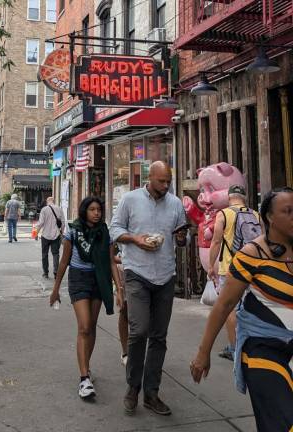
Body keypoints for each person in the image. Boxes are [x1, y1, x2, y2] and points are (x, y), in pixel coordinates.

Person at [190, 187, 293, 432]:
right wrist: (203, 353)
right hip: (262, 348)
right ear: (268, 217)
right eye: (288, 211)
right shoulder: (251, 254)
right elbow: (224, 305)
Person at [110, 161, 188, 416]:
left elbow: (182, 236)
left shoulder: (175, 203)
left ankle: (151, 393)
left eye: (168, 181)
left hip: (165, 275)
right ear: (149, 177)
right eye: (161, 181)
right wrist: (135, 239)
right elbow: (115, 229)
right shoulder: (130, 200)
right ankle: (133, 386)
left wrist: (181, 238)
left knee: (159, 336)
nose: (165, 186)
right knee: (139, 330)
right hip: (137, 272)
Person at [50, 197, 124, 399]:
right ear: (85, 211)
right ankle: (84, 379)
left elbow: (110, 262)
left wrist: (119, 288)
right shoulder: (73, 231)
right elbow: (64, 262)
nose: (96, 213)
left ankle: (86, 367)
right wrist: (56, 289)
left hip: (99, 280)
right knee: (84, 326)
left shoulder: (104, 233)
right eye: (92, 209)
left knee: (91, 326)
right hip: (79, 279)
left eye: (99, 209)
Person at [208, 185, 261, 361]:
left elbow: (216, 241)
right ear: (244, 197)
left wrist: (210, 266)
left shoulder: (223, 214)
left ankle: (234, 348)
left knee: (229, 308)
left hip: (231, 270)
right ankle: (254, 346)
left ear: (229, 198)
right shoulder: (256, 215)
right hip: (254, 269)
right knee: (252, 308)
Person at [35, 197, 66, 279]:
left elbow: (41, 223)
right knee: (56, 254)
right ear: (53, 201)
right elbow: (63, 222)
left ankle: (45, 272)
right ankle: (56, 272)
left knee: (44, 254)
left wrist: (36, 233)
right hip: (56, 235)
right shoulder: (59, 209)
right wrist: (62, 233)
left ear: (47, 201)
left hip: (45, 235)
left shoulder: (44, 209)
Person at [114, 245, 128, 367]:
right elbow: (111, 255)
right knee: (125, 310)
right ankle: (125, 352)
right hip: (124, 270)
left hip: (146, 268)